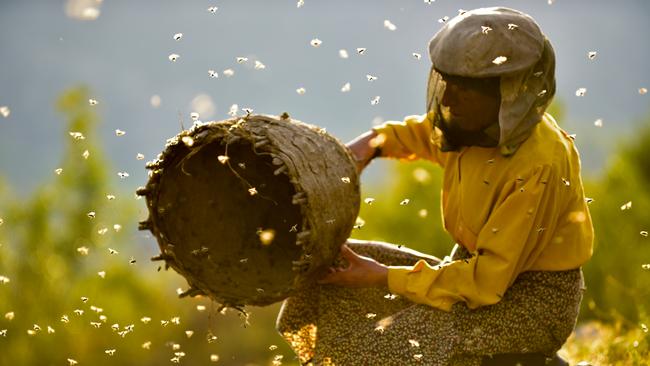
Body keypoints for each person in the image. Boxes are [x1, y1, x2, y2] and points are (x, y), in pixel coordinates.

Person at [276, 7, 593, 366]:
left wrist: (381, 277)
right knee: (328, 269)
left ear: (507, 93)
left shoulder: (538, 167)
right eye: (446, 83)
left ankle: (530, 358)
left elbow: (485, 284)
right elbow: (423, 134)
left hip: (528, 305)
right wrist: (369, 146)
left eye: (463, 90)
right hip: (469, 279)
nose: (446, 100)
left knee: (390, 343)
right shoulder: (476, 126)